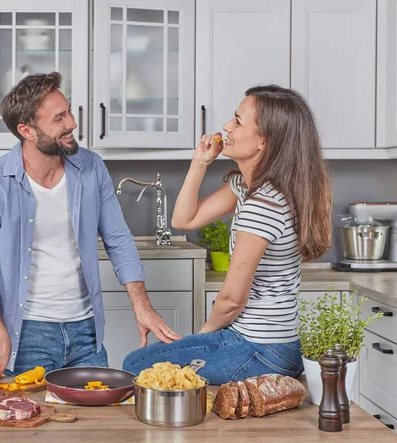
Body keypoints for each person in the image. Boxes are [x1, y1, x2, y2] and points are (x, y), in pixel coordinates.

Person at [0, 72, 181, 381]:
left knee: (93, 427)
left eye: (69, 111)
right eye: (59, 118)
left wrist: (141, 304)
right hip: (25, 336)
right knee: (28, 424)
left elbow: (118, 239)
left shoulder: (91, 168)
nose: (72, 124)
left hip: (86, 333)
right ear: (27, 130)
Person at [123, 85, 332, 385]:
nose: (226, 126)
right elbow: (184, 219)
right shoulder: (248, 188)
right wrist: (200, 162)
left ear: (263, 141)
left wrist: (204, 335)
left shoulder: (264, 205)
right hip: (271, 343)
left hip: (260, 348)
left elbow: (233, 298)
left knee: (136, 364)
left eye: (237, 121)